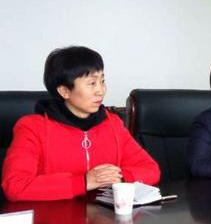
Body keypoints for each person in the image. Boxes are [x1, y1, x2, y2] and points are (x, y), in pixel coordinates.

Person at [2, 46, 160, 201]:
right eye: (92, 83)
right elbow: (15, 186)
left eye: (102, 81)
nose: (101, 91)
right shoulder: (32, 127)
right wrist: (83, 182)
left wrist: (120, 177)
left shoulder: (112, 123)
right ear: (64, 91)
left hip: (105, 216)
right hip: (54, 216)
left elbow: (151, 169)